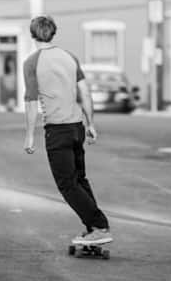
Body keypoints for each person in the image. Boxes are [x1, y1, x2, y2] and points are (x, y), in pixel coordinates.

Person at [22, 15, 111, 246]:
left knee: (67, 185)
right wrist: (91, 124)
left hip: (57, 130)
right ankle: (94, 228)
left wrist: (30, 135)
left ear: (32, 35)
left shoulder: (31, 62)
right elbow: (86, 93)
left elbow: (31, 102)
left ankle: (100, 226)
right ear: (53, 33)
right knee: (79, 179)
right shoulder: (70, 57)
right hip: (76, 127)